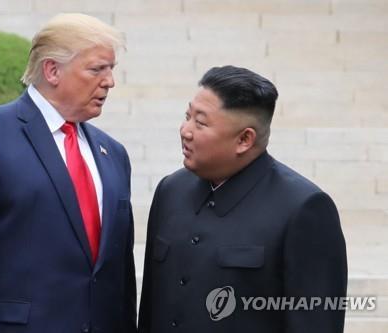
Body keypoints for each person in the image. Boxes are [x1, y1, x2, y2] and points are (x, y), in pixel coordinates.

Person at [0, 13, 136, 333]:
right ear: (52, 70)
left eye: (111, 69)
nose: (109, 81)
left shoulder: (113, 154)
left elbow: (119, 271)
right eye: (97, 69)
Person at [138, 66, 347, 332]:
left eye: (200, 123)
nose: (185, 130)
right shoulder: (171, 191)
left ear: (244, 140)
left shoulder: (303, 209)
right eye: (187, 116)